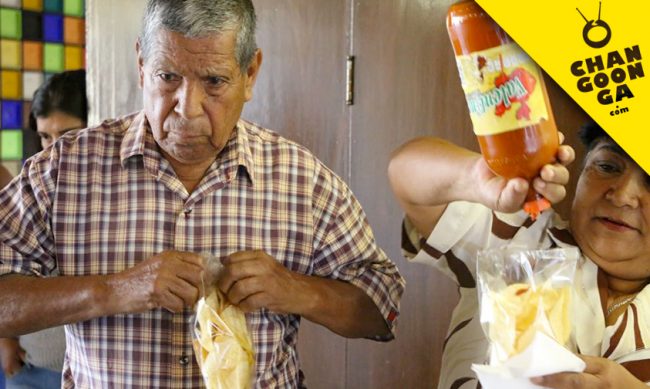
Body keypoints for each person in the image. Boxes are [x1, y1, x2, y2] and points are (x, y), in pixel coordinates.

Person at [0, 1, 404, 387]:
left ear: (250, 74)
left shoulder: (302, 179)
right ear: (141, 65)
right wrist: (115, 290)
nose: (187, 108)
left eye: (213, 81)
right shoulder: (63, 169)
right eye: (167, 77)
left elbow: (382, 310)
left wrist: (297, 290)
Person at [388, 122, 649, 389]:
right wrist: (474, 179)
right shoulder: (519, 233)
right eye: (607, 166)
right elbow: (403, 172)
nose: (623, 196)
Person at [0, 69, 88, 389]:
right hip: (32, 368)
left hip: (91, 373)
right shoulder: (31, 188)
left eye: (68, 134)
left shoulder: (117, 193)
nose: (54, 151)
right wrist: (6, 339)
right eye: (45, 137)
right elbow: (8, 265)